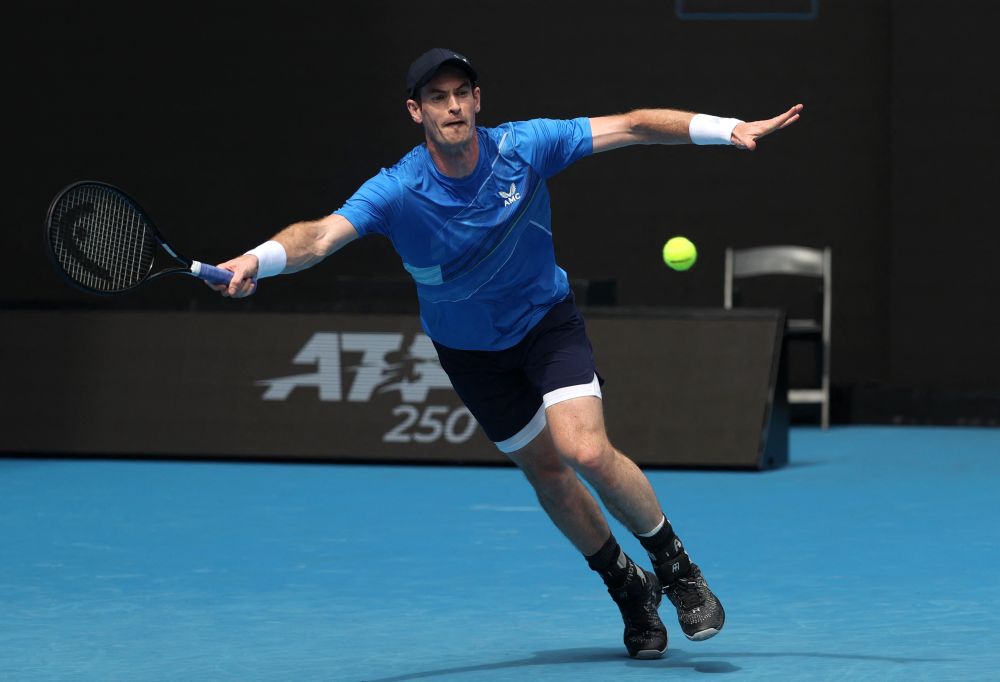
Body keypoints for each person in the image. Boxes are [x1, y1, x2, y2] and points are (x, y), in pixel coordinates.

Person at [212, 48, 803, 659]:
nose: (452, 107)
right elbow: (318, 237)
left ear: (477, 100)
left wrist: (724, 128)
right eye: (437, 97)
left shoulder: (524, 147)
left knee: (584, 449)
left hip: (547, 325)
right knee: (547, 473)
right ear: (416, 111)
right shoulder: (397, 190)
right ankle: (629, 589)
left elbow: (631, 125)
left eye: (461, 93)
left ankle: (677, 569)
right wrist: (258, 259)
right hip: (471, 355)